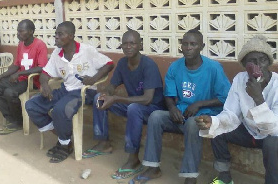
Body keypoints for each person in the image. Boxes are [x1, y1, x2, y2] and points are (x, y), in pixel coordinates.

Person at [130, 29, 231, 184]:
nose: (188, 47)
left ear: (201, 46)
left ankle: (190, 176)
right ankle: (152, 167)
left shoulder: (213, 68)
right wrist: (172, 108)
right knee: (156, 116)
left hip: (206, 116)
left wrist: (199, 104)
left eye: (193, 44)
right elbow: (169, 96)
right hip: (182, 114)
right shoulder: (175, 67)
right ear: (181, 46)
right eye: (185, 44)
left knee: (192, 123)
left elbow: (225, 98)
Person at [25, 21, 114, 163]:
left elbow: (109, 64)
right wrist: (44, 84)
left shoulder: (86, 50)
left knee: (60, 110)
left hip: (84, 91)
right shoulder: (56, 53)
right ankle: (64, 138)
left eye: (60, 34)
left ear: (71, 36)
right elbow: (45, 73)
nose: (56, 37)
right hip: (65, 90)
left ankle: (65, 144)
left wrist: (94, 78)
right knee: (32, 105)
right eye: (56, 34)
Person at [82, 30, 165, 179]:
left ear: (140, 45)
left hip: (153, 109)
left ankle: (133, 159)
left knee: (134, 108)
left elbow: (147, 99)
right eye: (125, 43)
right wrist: (106, 94)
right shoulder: (122, 63)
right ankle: (103, 143)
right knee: (98, 98)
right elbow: (112, 86)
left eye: (132, 43)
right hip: (134, 106)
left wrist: (115, 99)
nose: (128, 47)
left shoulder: (149, 65)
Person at [196, 36, 278, 184]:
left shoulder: (276, 85)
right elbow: (231, 113)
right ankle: (224, 176)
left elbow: (275, 128)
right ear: (245, 65)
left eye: (262, 60)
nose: (258, 65)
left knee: (273, 143)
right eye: (251, 61)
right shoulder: (240, 79)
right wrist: (213, 121)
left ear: (269, 62)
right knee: (218, 129)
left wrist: (258, 99)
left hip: (271, 135)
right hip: (248, 131)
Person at [0, 19, 48, 135]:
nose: (18, 34)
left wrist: (20, 73)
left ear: (31, 31)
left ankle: (18, 122)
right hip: (20, 79)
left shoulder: (40, 45)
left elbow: (41, 67)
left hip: (33, 80)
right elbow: (16, 65)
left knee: (10, 92)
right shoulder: (21, 44)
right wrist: (0, 77)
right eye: (17, 31)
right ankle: (12, 119)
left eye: (21, 31)